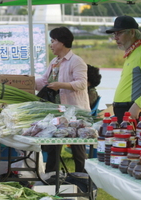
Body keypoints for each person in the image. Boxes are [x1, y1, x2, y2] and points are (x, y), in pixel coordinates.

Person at [36, 27, 90, 176]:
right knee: (54, 144)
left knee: (77, 147)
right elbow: (44, 81)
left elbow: (81, 84)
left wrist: (61, 85)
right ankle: (51, 176)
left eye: (53, 41)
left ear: (62, 42)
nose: (51, 44)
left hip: (75, 112)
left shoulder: (76, 61)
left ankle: (83, 178)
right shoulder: (55, 62)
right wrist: (25, 82)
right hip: (57, 112)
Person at [105, 15, 141, 124]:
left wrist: (137, 106)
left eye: (119, 33)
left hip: (131, 111)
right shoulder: (132, 53)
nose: (115, 38)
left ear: (132, 33)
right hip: (123, 111)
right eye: (114, 34)